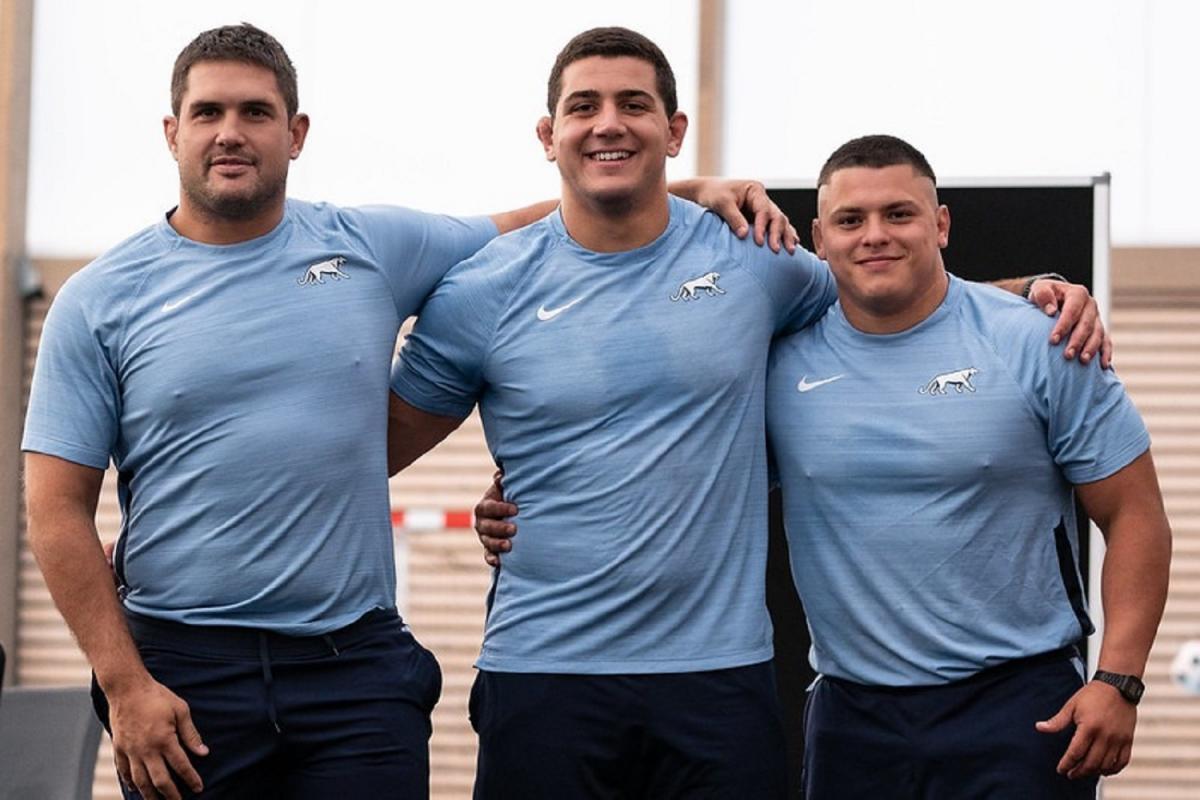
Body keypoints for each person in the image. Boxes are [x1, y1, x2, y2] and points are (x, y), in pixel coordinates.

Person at [19, 23, 796, 800]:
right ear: (171, 132)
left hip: (354, 674)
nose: (230, 133)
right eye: (208, 113)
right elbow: (55, 511)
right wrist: (124, 685)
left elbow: (527, 223)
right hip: (185, 672)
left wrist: (688, 190)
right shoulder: (98, 301)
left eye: (256, 113)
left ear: (295, 134)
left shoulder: (370, 245)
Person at [392, 28, 1108, 799]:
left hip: (718, 678)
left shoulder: (751, 257)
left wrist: (1035, 288)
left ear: (673, 130)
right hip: (543, 674)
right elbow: (369, 449)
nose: (608, 122)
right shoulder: (480, 291)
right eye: (584, 106)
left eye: (634, 104)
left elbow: (893, 301)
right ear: (547, 134)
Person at [763, 135, 1170, 798]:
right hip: (853, 715)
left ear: (941, 224)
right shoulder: (779, 362)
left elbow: (1135, 517)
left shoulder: (1041, 340)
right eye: (850, 220)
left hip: (1018, 707)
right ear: (819, 236)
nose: (875, 236)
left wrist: (1118, 680)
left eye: (899, 214)